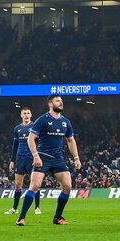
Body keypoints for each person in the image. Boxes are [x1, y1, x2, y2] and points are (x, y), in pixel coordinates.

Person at [16, 95, 80, 226]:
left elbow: (70, 140)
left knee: (67, 186)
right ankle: (21, 217)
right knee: (35, 186)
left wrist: (76, 158)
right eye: (58, 101)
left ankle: (58, 217)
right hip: (42, 157)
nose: (61, 103)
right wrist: (36, 156)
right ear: (50, 104)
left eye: (61, 101)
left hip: (58, 159)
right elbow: (30, 138)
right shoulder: (42, 120)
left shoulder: (66, 122)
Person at [6, 107, 42, 216]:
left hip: (32, 158)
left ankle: (37, 207)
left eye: (28, 113)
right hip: (20, 158)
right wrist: (12, 160)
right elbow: (15, 145)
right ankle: (15, 208)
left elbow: (39, 143)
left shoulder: (35, 127)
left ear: (31, 115)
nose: (26, 115)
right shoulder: (17, 129)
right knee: (18, 184)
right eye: (24, 113)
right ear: (21, 115)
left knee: (35, 184)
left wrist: (38, 156)